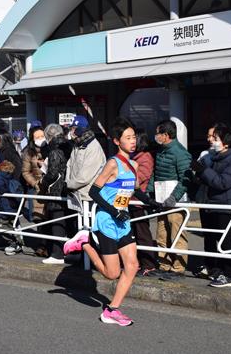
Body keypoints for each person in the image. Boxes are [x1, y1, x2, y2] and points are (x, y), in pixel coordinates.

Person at [63, 118, 160, 327]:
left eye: (134, 137)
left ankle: (112, 310)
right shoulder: (112, 163)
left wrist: (152, 202)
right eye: (128, 138)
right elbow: (94, 191)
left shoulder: (133, 164)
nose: (133, 141)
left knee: (132, 266)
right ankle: (85, 242)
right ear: (117, 141)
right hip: (107, 220)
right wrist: (114, 211)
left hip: (123, 221)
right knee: (112, 273)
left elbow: (134, 190)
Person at [191, 123, 231, 288]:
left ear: (226, 142)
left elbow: (223, 183)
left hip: (225, 206)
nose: (211, 140)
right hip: (211, 204)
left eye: (215, 138)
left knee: (226, 242)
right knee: (213, 239)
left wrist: (203, 171)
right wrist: (198, 173)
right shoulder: (215, 157)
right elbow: (209, 180)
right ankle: (218, 270)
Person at [148, 120, 192, 279]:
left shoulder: (180, 153)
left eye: (158, 133)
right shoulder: (161, 150)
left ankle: (179, 268)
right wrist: (150, 192)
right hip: (161, 200)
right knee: (162, 234)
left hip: (175, 201)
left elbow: (186, 179)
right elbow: (155, 173)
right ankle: (164, 265)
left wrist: (174, 197)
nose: (156, 136)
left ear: (166, 135)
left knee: (177, 234)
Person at [37, 123, 72, 264]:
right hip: (68, 187)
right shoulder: (69, 146)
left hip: (56, 190)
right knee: (68, 222)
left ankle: (57, 254)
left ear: (49, 136)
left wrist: (43, 181)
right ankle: (69, 251)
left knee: (57, 220)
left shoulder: (54, 150)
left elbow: (52, 173)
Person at [130, 129, 161, 277]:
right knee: (131, 235)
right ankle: (136, 263)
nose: (131, 141)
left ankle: (149, 264)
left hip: (138, 202)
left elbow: (140, 177)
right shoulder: (133, 157)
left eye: (133, 138)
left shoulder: (145, 157)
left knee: (142, 234)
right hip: (129, 201)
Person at [66, 115, 106, 209]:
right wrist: (67, 182)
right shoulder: (77, 144)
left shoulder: (93, 147)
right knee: (77, 223)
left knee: (87, 223)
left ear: (81, 130)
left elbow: (84, 177)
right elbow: (69, 165)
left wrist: (68, 185)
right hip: (76, 194)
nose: (71, 132)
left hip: (88, 197)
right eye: (71, 129)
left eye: (74, 129)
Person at [21, 125, 46, 224]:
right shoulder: (28, 152)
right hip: (36, 188)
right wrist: (35, 183)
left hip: (49, 187)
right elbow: (25, 172)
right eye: (37, 137)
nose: (40, 139)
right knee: (38, 218)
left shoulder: (50, 149)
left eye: (42, 136)